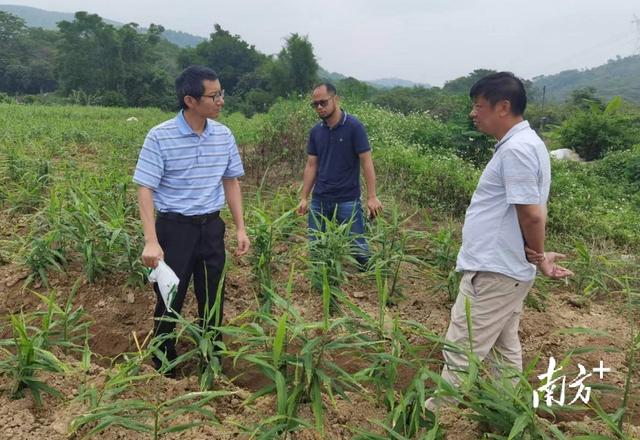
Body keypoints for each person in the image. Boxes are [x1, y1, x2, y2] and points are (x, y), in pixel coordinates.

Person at [426, 72, 573, 411]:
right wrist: (535, 255)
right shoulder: (527, 144)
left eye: (479, 106)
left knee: (462, 347)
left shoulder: (517, 150)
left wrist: (539, 256)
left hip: (494, 270)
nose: (473, 114)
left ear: (503, 107)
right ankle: (506, 413)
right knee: (504, 349)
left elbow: (533, 215)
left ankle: (437, 418)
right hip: (507, 269)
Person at [133, 65, 250, 375]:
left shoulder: (223, 135)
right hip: (174, 229)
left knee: (213, 298)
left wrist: (240, 227)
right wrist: (151, 240)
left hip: (211, 227)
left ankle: (210, 359)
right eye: (214, 95)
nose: (221, 100)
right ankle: (163, 364)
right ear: (190, 100)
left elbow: (231, 182)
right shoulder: (160, 136)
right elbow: (145, 188)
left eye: (221, 93)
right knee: (170, 297)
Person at [296, 82, 383, 269]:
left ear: (336, 99)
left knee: (359, 250)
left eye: (323, 102)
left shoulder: (354, 127)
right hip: (320, 198)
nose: (319, 107)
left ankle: (372, 287)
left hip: (347, 199)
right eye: (315, 104)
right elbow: (312, 165)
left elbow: (366, 162)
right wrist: (304, 197)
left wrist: (372, 196)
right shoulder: (316, 132)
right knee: (317, 247)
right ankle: (323, 283)